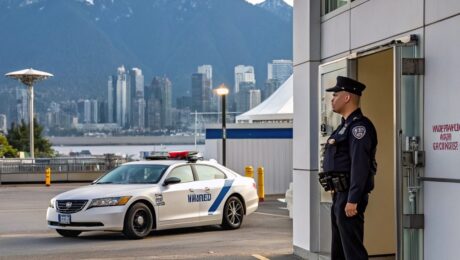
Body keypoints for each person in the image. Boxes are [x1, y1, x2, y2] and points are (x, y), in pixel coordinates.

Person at [320, 76, 378, 260]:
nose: (332, 99)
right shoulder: (343, 127)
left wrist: (353, 199)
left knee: (352, 251)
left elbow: (360, 166)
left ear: (347, 98)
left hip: (349, 198)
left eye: (335, 94)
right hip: (340, 194)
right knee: (339, 249)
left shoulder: (358, 128)